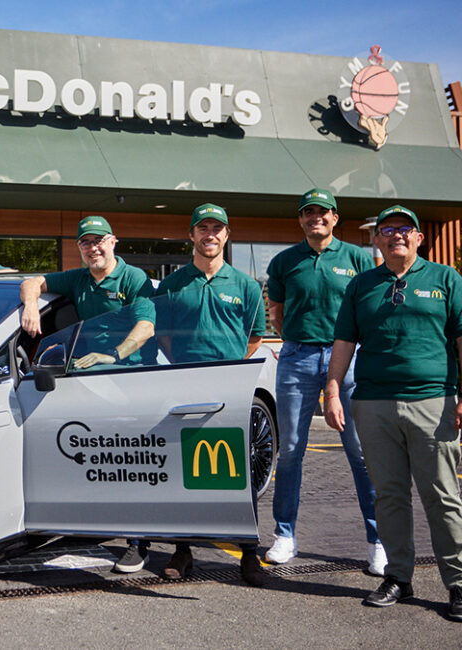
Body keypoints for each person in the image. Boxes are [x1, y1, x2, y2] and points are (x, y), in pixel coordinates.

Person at [325, 205, 462, 621]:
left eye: (406, 229)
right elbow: (345, 341)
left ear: (419, 238)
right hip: (373, 403)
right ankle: (399, 577)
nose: (397, 236)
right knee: (389, 495)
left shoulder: (446, 279)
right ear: (377, 240)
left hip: (432, 402)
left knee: (442, 496)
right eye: (388, 230)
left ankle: (458, 583)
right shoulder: (362, 285)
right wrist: (332, 388)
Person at [121, 204, 267, 586]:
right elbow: (161, 332)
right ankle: (183, 551)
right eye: (203, 228)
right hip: (184, 384)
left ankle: (249, 553)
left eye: (217, 228)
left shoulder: (247, 286)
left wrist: (225, 366)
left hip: (230, 387)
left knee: (240, 471)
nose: (210, 235)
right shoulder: (173, 285)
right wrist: (187, 365)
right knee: (185, 468)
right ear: (192, 236)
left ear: (226, 235)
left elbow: (254, 338)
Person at [264, 188, 383, 574]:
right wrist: (296, 345)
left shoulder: (356, 258)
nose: (316, 217)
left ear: (335, 217)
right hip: (297, 358)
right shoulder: (284, 261)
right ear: (300, 220)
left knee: (360, 451)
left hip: (346, 358)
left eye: (324, 212)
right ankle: (285, 535)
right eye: (309, 212)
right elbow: (277, 314)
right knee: (292, 449)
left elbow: (368, 309)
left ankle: (377, 540)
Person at [20, 214, 155, 372]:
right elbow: (30, 284)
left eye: (99, 240)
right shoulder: (78, 279)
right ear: (79, 247)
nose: (93, 248)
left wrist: (114, 355)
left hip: (135, 370)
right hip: (95, 370)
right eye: (86, 243)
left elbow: (146, 327)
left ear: (112, 242)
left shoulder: (132, 277)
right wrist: (31, 307)